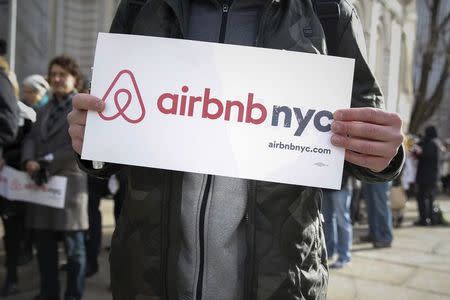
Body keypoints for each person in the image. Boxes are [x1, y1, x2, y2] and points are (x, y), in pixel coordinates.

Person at [68, 0, 405, 299]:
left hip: (281, 282)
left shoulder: (328, 12)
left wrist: (382, 153)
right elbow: (109, 138)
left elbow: (368, 135)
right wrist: (91, 138)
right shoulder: (144, 6)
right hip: (148, 281)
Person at [22, 55, 88, 300]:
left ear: (74, 78)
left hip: (69, 188)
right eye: (54, 75)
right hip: (41, 187)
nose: (57, 79)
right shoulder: (44, 108)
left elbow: (77, 147)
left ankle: (74, 295)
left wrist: (43, 162)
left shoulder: (82, 111)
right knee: (45, 249)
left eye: (63, 74)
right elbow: (31, 138)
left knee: (74, 253)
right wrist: (28, 159)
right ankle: (48, 293)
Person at [322, 173, 353, 268]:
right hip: (324, 185)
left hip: (342, 184)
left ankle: (344, 257)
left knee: (342, 222)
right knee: (327, 221)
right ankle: (329, 253)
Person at [414, 126, 440, 226]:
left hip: (425, 177)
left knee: (423, 198)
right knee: (429, 198)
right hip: (431, 176)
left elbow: (424, 155)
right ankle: (429, 218)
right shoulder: (433, 144)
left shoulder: (431, 144)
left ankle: (424, 219)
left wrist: (419, 150)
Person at [360, 182, 393, 248]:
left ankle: (385, 237)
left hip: (381, 175)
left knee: (381, 205)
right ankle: (374, 234)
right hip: (368, 174)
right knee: (370, 205)